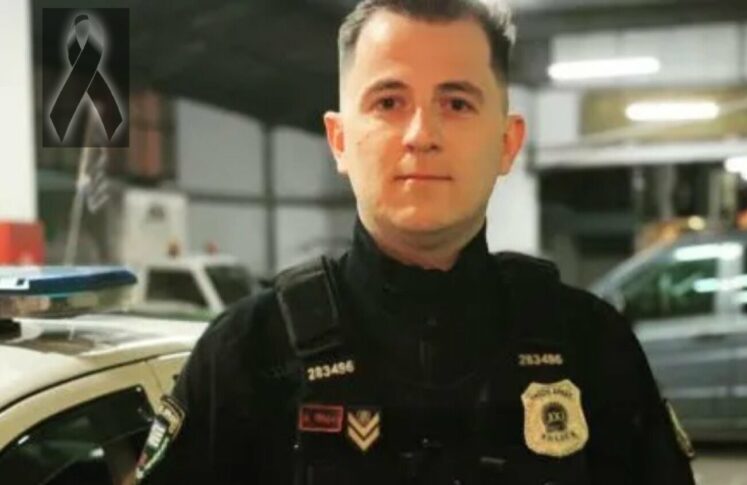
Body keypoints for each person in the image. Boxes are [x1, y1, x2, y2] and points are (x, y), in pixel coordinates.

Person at [135, 0, 696, 483]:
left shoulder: (594, 352)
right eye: (388, 102)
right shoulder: (247, 359)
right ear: (339, 140)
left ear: (507, 142)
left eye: (456, 103)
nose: (421, 135)